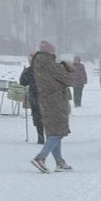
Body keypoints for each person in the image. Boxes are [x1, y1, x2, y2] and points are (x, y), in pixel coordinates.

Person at [30, 41, 75, 173]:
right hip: (55, 101)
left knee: (54, 131)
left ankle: (59, 162)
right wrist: (67, 68)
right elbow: (69, 80)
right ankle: (41, 158)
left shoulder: (39, 63)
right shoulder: (50, 64)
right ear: (50, 52)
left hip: (46, 100)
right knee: (57, 132)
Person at [18, 54, 44, 144]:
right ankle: (50, 137)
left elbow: (22, 83)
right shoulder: (46, 69)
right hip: (47, 96)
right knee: (47, 116)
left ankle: (40, 137)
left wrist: (23, 73)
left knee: (37, 116)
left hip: (35, 95)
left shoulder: (29, 70)